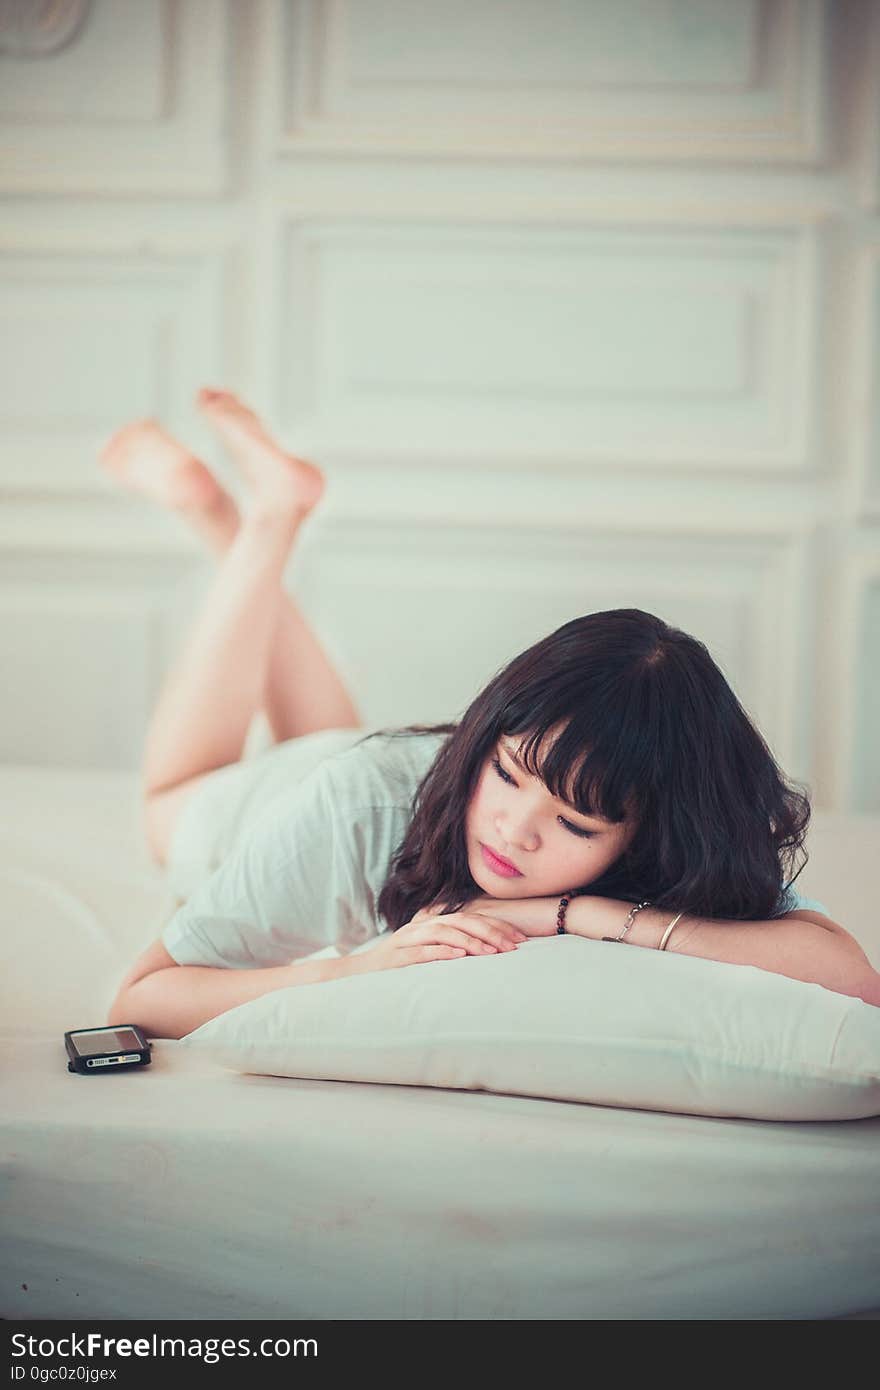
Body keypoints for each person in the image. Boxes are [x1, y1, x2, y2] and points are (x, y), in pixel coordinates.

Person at [105, 391, 880, 1039]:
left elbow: (852, 979)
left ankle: (254, 513)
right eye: (508, 772)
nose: (514, 828)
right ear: (484, 733)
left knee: (331, 746)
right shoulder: (359, 806)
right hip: (325, 792)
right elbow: (142, 997)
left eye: (575, 824)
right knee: (168, 803)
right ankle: (243, 522)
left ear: (650, 831)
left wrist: (576, 914)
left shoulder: (663, 841)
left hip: (358, 762)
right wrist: (357, 968)